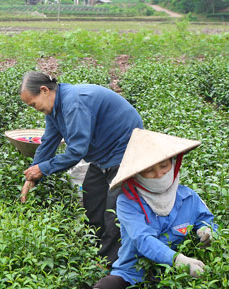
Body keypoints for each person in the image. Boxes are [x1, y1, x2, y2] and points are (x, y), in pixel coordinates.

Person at [19, 71, 143, 265]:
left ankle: (112, 266)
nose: (34, 109)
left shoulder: (74, 103)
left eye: (33, 104)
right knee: (92, 202)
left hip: (123, 152)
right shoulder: (54, 109)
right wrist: (32, 175)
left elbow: (77, 151)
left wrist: (44, 169)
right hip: (101, 155)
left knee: (114, 213)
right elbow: (49, 142)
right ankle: (94, 255)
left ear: (44, 90)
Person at [94, 129, 217, 289]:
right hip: (133, 276)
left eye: (164, 166)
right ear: (137, 174)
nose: (159, 175)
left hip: (175, 279)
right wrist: (176, 259)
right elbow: (143, 239)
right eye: (149, 170)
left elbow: (205, 219)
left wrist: (207, 230)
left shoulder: (189, 197)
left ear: (174, 163)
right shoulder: (127, 202)